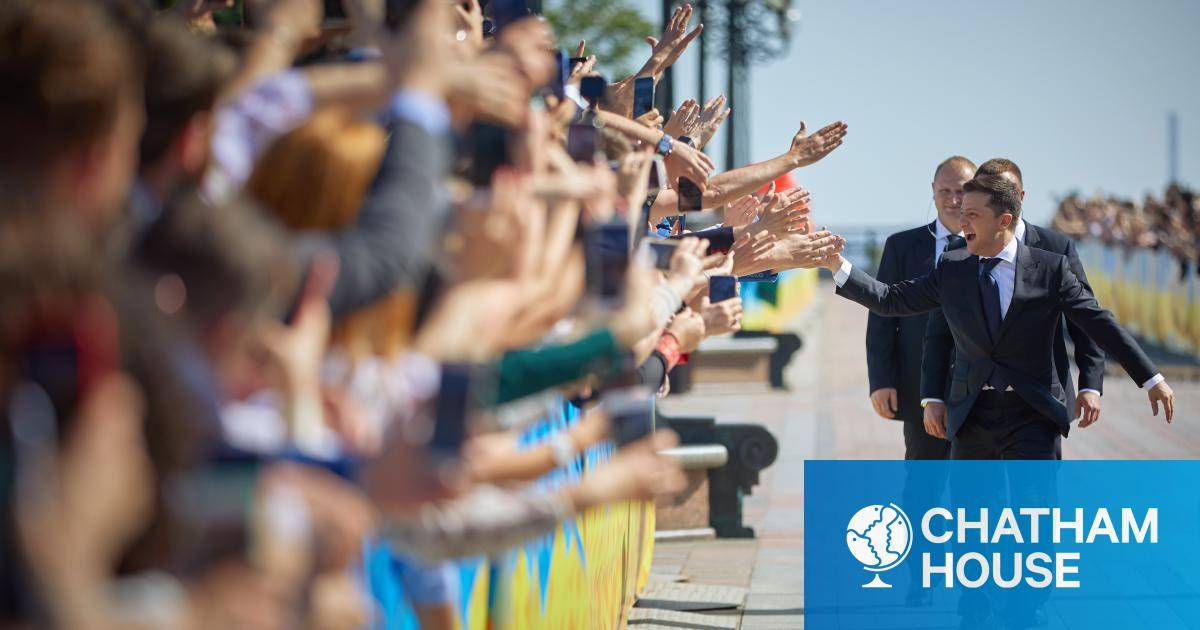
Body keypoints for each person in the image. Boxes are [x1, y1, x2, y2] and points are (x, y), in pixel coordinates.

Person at [823, 174, 1175, 459]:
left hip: (1033, 415)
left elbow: (1098, 323)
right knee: (974, 526)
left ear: (1004, 220)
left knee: (1032, 523)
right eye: (962, 214)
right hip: (972, 417)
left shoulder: (1050, 269)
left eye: (972, 215)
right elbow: (890, 299)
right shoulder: (952, 268)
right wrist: (837, 265)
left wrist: (1150, 378)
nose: (961, 224)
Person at [922, 158, 1107, 449]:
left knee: (1034, 494)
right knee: (976, 495)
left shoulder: (1055, 248)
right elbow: (939, 332)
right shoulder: (959, 252)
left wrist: (1090, 385)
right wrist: (933, 396)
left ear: (1020, 197)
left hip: (1039, 404)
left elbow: (1087, 322)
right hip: (975, 407)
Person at [865, 155, 974, 461]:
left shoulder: (994, 247)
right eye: (945, 191)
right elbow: (881, 317)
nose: (953, 200)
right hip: (920, 389)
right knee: (923, 485)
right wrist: (881, 380)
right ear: (933, 190)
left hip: (979, 395)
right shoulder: (902, 246)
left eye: (962, 191)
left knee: (978, 491)